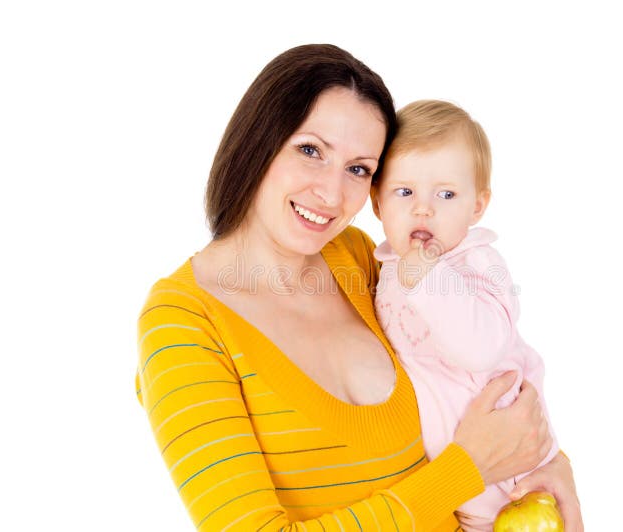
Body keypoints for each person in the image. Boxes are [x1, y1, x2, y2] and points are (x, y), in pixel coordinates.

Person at [135, 44, 583, 531]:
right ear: (258, 140)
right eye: (311, 151)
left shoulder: (356, 256)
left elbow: (471, 364)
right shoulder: (181, 323)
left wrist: (547, 462)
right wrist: (467, 470)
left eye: (359, 169)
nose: (331, 194)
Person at [370, 100, 560, 531]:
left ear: (477, 206)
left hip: (512, 478)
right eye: (405, 192)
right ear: (377, 203)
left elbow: (482, 349)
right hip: (450, 480)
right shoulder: (386, 269)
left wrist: (428, 278)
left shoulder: (478, 263)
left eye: (446, 194)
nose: (424, 209)